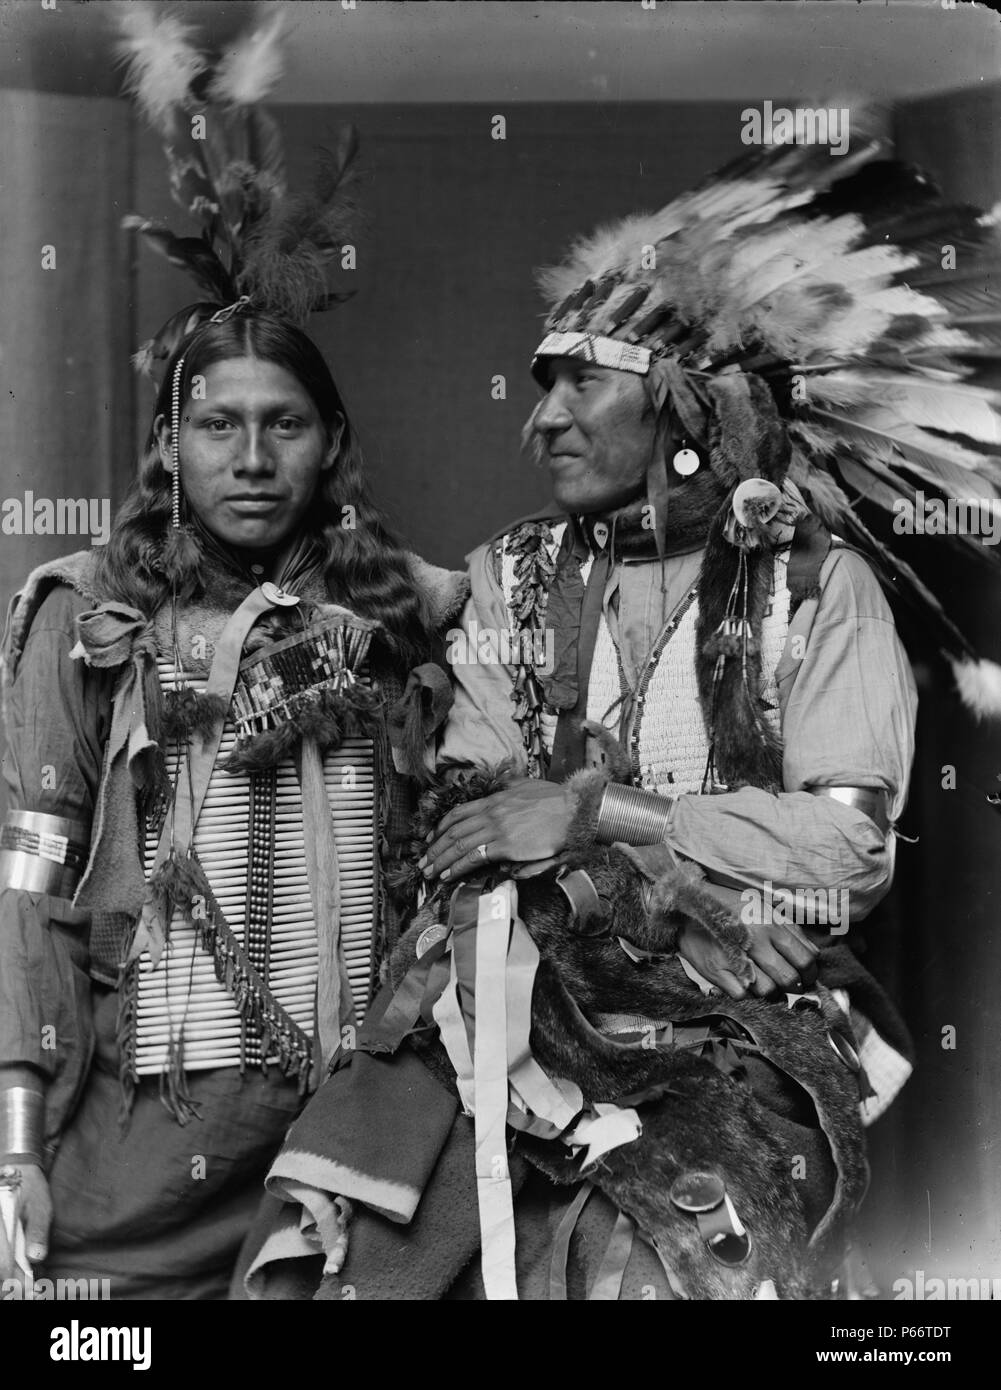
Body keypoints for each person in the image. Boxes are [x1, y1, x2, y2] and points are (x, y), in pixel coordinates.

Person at [239, 110, 1001, 1299]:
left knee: (656, 1274)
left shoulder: (809, 585)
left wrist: (600, 814)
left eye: (577, 383)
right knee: (317, 1263)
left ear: (685, 408)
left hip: (733, 1027)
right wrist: (544, 823)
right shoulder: (516, 576)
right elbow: (476, 806)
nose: (535, 418)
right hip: (501, 1005)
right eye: (538, 385)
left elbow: (842, 854)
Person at [0, 12, 465, 1300]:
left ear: (332, 444)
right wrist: (15, 1135)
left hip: (350, 1120)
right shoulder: (84, 611)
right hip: (146, 1124)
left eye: (284, 425)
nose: (251, 460)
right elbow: (25, 878)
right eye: (217, 425)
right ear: (168, 444)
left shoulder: (403, 616)